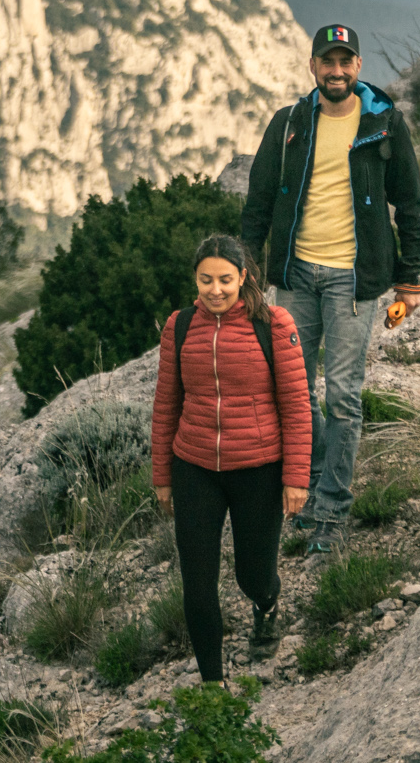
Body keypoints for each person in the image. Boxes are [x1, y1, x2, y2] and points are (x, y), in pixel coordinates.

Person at [240, 23, 420, 554]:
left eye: (346, 61)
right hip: (295, 276)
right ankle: (309, 489)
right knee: (295, 390)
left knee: (342, 395)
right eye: (328, 61)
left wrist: (410, 278)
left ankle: (334, 510)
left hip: (354, 280)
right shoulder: (290, 123)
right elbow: (257, 205)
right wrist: (246, 273)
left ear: (359, 68)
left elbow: (408, 204)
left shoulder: (384, 123)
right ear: (313, 66)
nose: (337, 70)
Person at [150, 235, 312, 683]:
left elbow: (298, 405)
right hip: (194, 467)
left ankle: (267, 604)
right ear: (195, 280)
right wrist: (162, 475)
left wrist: (296, 477)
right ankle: (212, 685)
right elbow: (166, 404)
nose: (215, 290)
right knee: (198, 585)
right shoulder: (179, 326)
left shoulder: (273, 324)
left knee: (252, 575)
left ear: (244, 277)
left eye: (225, 279)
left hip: (258, 469)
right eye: (206, 280)